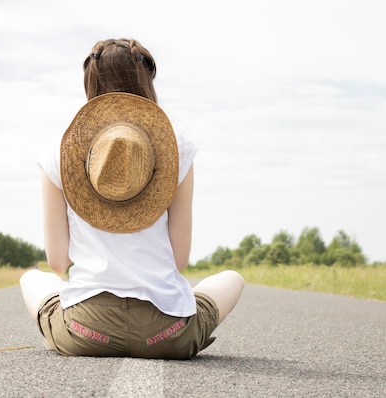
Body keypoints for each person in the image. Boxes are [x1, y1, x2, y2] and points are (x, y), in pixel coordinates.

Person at [20, 38, 244, 360]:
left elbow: (57, 261)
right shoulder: (176, 148)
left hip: (85, 331)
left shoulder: (59, 152)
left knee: (33, 277)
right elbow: (179, 260)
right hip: (167, 334)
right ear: (146, 80)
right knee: (231, 278)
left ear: (90, 81)